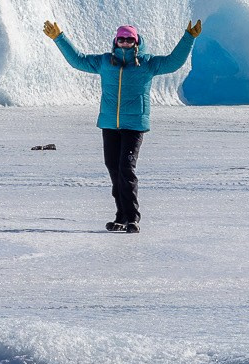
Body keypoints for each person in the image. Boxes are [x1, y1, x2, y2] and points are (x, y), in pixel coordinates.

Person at [42, 18, 202, 233]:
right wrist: (58, 38)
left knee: (126, 168)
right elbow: (77, 60)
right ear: (116, 41)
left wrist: (189, 37)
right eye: (121, 39)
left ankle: (133, 218)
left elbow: (173, 62)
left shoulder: (147, 63)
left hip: (134, 125)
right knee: (114, 169)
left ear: (136, 42)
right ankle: (121, 216)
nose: (125, 42)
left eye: (129, 39)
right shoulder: (105, 62)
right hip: (109, 124)